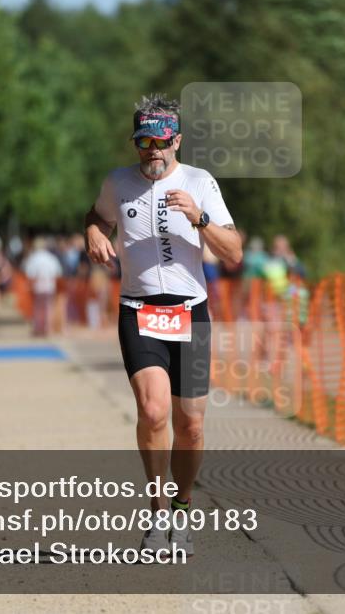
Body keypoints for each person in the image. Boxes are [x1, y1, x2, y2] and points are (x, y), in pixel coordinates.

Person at [84, 94, 242, 556]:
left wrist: (200, 218)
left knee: (190, 425)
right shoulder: (118, 183)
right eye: (144, 142)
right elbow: (97, 215)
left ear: (177, 140)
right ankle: (156, 515)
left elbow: (232, 253)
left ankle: (182, 508)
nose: (153, 150)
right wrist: (94, 231)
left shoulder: (200, 182)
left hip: (190, 312)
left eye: (162, 141)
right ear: (135, 144)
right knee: (153, 412)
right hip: (139, 310)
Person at [23, 237, 63, 337]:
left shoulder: (34, 258)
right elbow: (58, 272)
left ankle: (38, 328)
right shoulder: (51, 257)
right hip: (49, 286)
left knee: (38, 308)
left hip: (38, 287)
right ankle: (48, 328)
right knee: (48, 308)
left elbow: (30, 274)